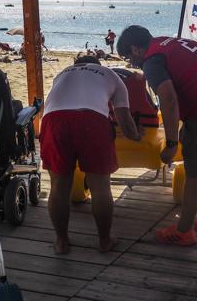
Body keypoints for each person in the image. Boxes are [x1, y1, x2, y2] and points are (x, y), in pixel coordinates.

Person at [117, 26, 197, 246]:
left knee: (196, 172)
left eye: (128, 56)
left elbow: (168, 99)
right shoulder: (170, 43)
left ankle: (184, 231)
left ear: (136, 49)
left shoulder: (152, 60)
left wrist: (172, 143)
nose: (130, 63)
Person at [40, 55, 143, 254]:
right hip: (92, 120)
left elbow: (52, 105)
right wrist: (137, 136)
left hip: (54, 121)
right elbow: (125, 122)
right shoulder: (111, 75)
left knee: (59, 187)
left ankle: (61, 242)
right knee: (100, 188)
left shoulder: (61, 74)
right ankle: (105, 241)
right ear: (99, 65)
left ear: (75, 66)